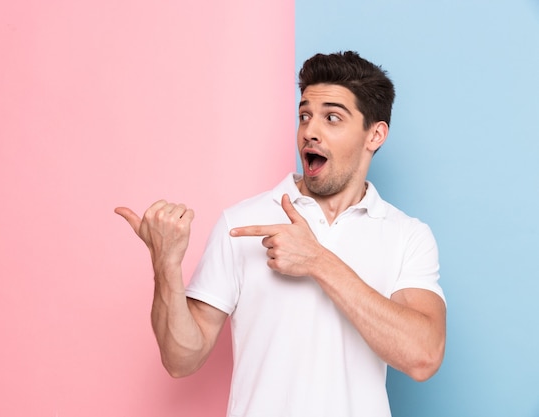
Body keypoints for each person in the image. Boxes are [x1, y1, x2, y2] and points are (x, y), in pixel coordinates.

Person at [115, 51, 446, 417]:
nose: (310, 131)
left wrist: (318, 260)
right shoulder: (240, 223)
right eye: (304, 116)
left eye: (332, 118)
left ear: (375, 134)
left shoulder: (406, 235)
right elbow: (181, 359)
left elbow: (424, 356)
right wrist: (165, 265)